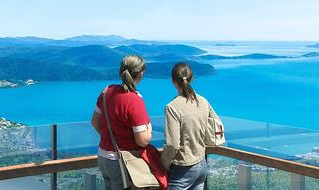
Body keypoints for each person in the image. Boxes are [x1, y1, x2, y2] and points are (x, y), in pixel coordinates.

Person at [91, 55, 152, 190]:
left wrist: (110, 138)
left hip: (103, 156)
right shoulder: (134, 99)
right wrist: (149, 128)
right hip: (123, 161)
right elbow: (142, 140)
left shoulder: (106, 92)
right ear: (140, 74)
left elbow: (95, 122)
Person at [161, 62, 222, 190]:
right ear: (192, 79)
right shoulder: (202, 101)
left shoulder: (172, 107)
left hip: (182, 168)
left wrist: (164, 163)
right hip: (201, 163)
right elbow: (216, 123)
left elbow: (172, 145)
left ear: (173, 81)